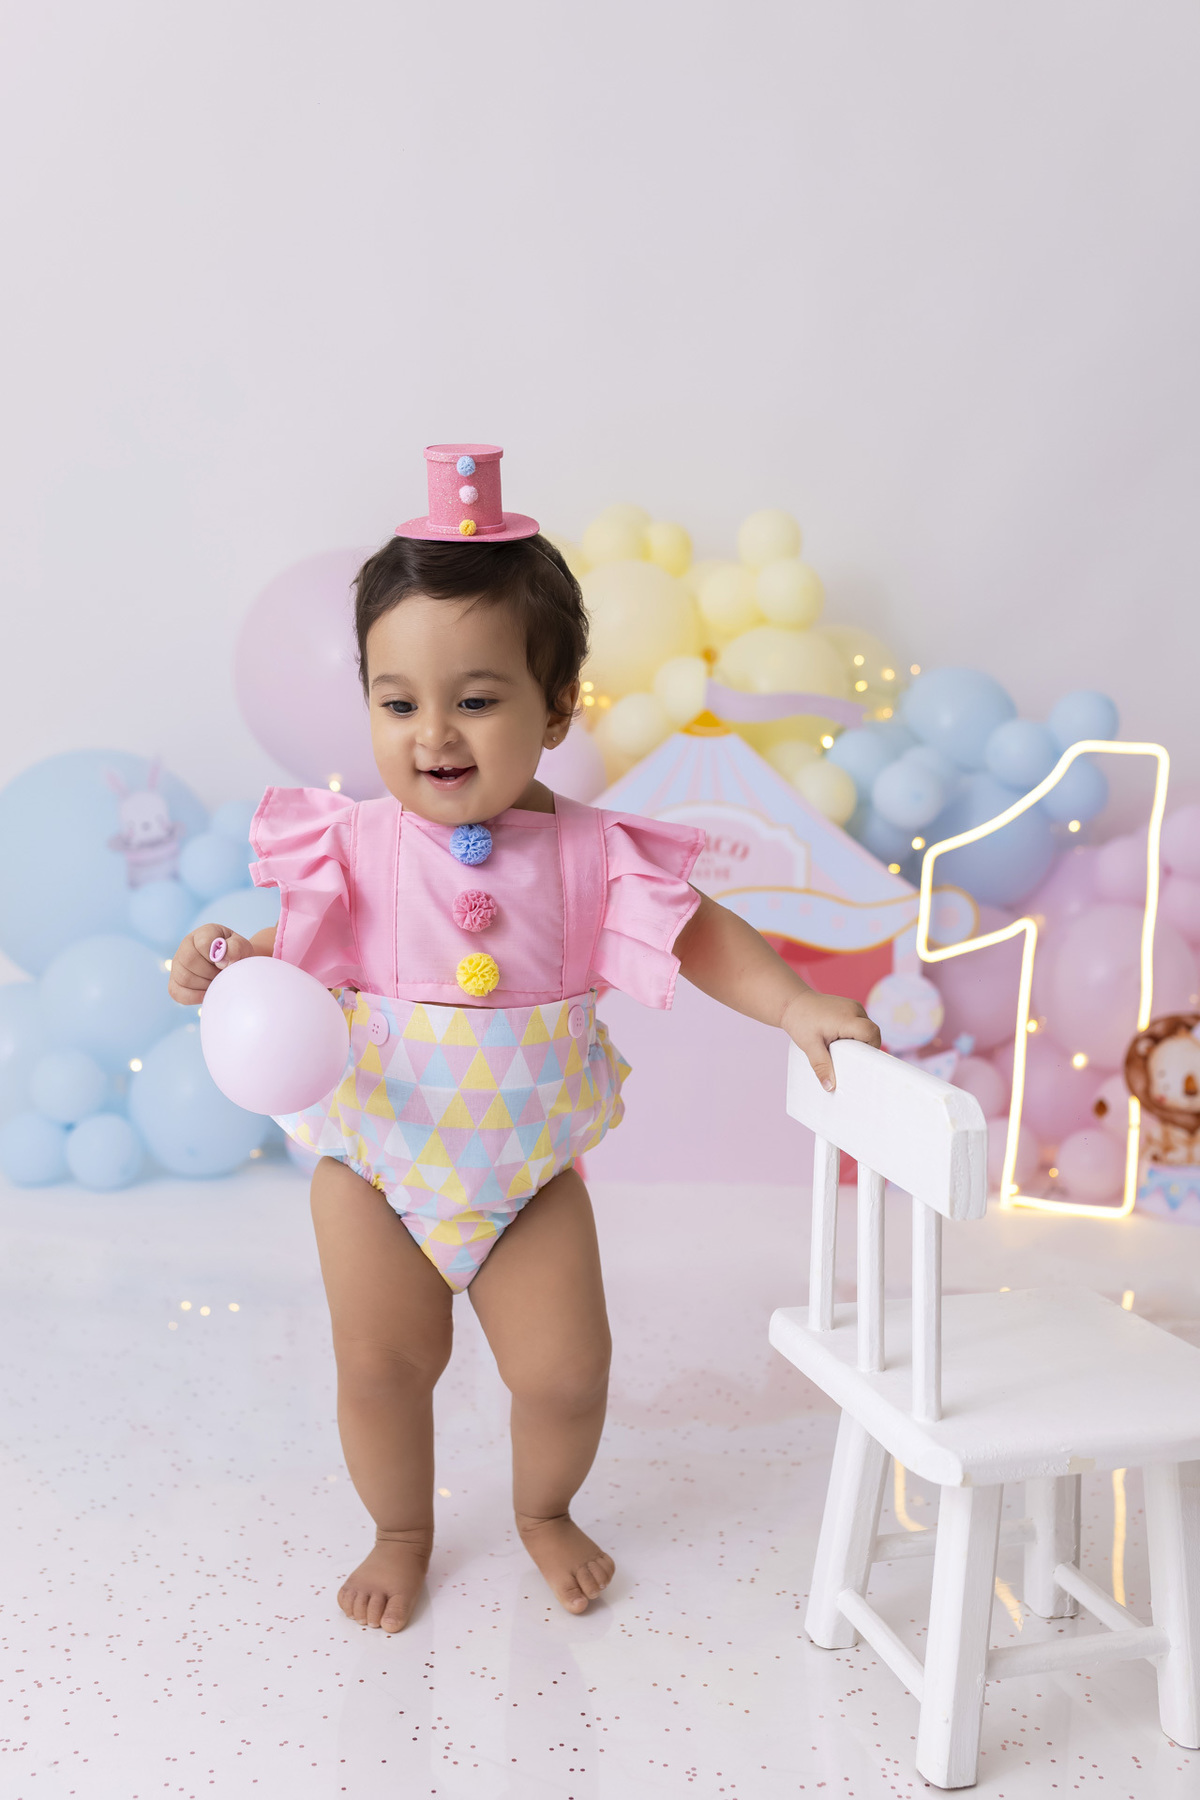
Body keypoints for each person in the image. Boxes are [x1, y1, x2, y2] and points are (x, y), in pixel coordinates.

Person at [168, 445, 880, 1635]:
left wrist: (794, 1004)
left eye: (477, 699)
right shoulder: (354, 843)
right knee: (382, 1368)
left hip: (527, 1177)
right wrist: (226, 961)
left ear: (557, 708)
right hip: (378, 1168)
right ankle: (401, 1529)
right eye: (399, 702)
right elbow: (288, 950)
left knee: (565, 1372)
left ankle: (545, 1509)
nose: (434, 734)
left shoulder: (594, 854)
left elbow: (702, 935)